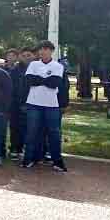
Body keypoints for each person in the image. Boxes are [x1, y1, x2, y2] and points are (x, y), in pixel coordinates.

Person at [22, 41, 69, 173]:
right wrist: (45, 80)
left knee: (54, 134)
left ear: (51, 51)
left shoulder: (58, 66)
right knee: (31, 132)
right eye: (40, 49)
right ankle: (28, 159)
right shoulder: (33, 64)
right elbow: (28, 81)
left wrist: (38, 80)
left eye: (46, 49)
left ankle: (57, 162)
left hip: (52, 105)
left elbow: (55, 83)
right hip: (33, 103)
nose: (42, 52)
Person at [7, 47, 34, 159]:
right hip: (15, 104)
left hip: (32, 103)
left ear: (33, 56)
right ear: (20, 57)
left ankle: (27, 149)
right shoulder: (15, 70)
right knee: (15, 127)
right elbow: (11, 88)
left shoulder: (37, 68)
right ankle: (14, 148)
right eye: (24, 56)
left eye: (29, 55)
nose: (26, 58)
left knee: (30, 128)